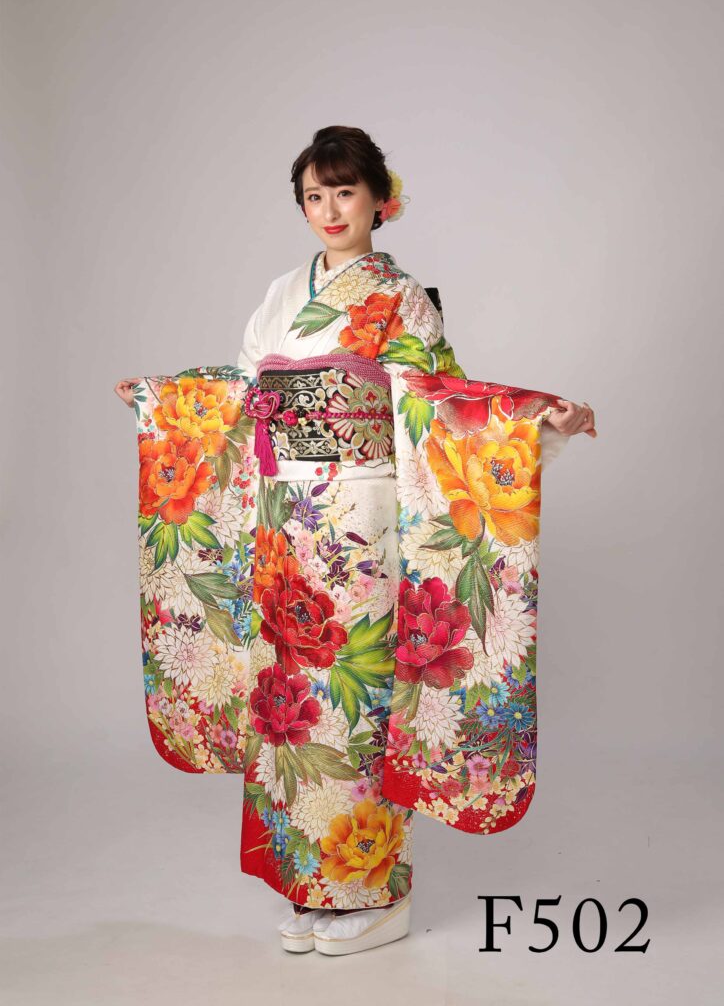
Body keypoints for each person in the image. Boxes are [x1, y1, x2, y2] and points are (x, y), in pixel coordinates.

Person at [115, 125, 597, 956]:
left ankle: (377, 891)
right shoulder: (282, 293)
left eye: (344, 191)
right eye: (314, 195)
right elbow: (243, 393)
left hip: (359, 523)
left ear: (381, 199)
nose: (330, 209)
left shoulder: (401, 298)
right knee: (289, 708)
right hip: (281, 520)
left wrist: (533, 423)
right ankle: (311, 882)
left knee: (356, 700)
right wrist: (164, 403)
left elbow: (439, 404)